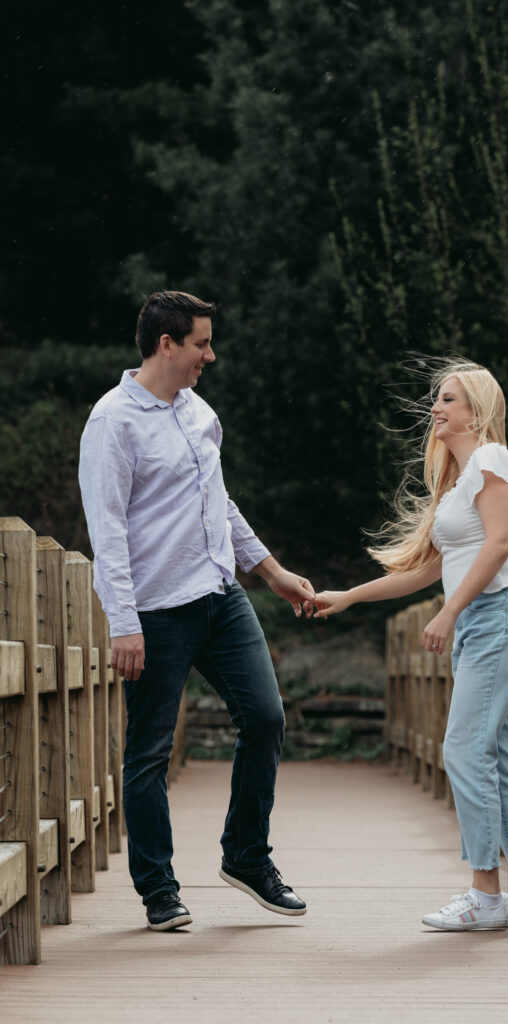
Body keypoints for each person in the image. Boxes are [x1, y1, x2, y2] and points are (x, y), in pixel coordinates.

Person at [79, 290, 313, 931]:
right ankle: (158, 891)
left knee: (265, 718)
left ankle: (245, 857)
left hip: (221, 597)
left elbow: (221, 504)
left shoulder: (198, 411)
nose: (211, 354)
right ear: (167, 345)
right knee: (149, 751)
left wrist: (273, 574)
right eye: (202, 343)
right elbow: (108, 532)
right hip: (157, 611)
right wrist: (123, 621)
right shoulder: (113, 422)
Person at [311, 359, 508, 931]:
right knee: (494, 753)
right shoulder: (461, 483)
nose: (436, 408)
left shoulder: (494, 458)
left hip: (500, 612)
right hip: (486, 618)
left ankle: (484, 896)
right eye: (437, 400)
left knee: (463, 749)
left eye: (448, 400)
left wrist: (449, 610)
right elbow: (427, 570)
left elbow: (495, 547)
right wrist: (349, 596)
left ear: (478, 411)